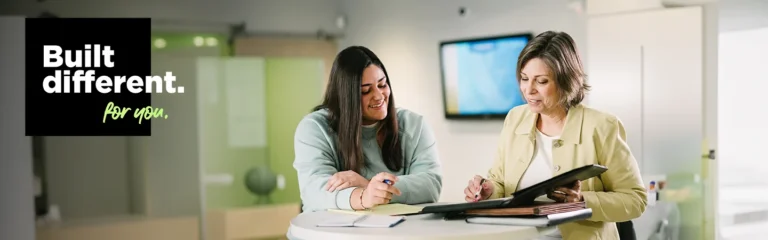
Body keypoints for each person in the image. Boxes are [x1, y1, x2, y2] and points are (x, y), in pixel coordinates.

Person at [464, 31, 647, 239]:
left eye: (541, 81)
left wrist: (583, 201)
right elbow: (500, 182)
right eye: (524, 79)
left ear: (566, 81)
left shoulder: (602, 126)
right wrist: (488, 190)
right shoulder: (515, 118)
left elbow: (636, 200)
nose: (528, 90)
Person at [294, 46, 442, 213]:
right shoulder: (315, 128)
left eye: (382, 84)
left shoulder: (414, 125)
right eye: (365, 91)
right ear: (345, 96)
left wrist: (370, 185)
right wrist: (364, 197)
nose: (379, 96)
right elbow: (315, 191)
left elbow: (430, 185)